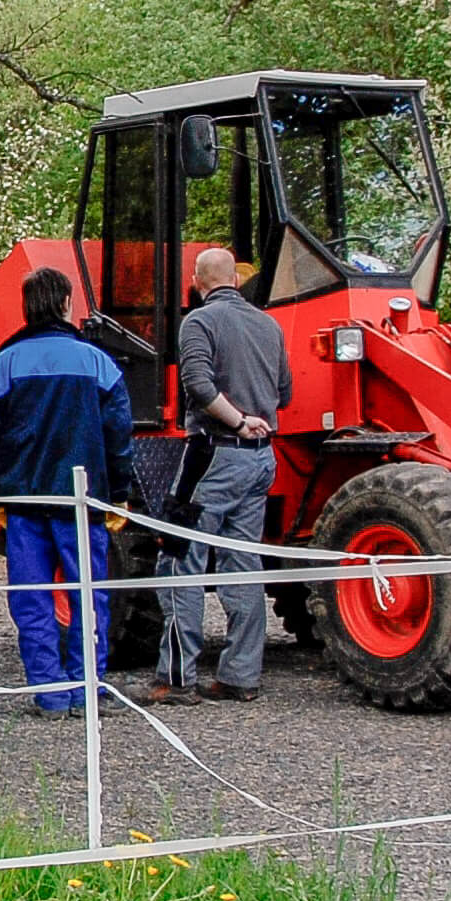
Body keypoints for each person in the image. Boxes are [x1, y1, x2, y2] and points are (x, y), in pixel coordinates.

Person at [0, 267, 133, 717]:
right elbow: (118, 434)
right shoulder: (97, 361)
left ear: (27, 307)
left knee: (31, 597)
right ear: (67, 303)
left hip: (23, 500)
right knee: (88, 596)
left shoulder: (5, 363)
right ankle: (88, 688)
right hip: (80, 501)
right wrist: (117, 492)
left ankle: (48, 691)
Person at [147, 247, 291, 704]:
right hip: (261, 460)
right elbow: (284, 391)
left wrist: (235, 419)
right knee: (242, 563)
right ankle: (239, 676)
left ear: (196, 280)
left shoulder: (199, 323)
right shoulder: (269, 325)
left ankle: (176, 678)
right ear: (236, 279)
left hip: (214, 455)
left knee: (178, 557)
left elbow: (198, 383)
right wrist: (256, 418)